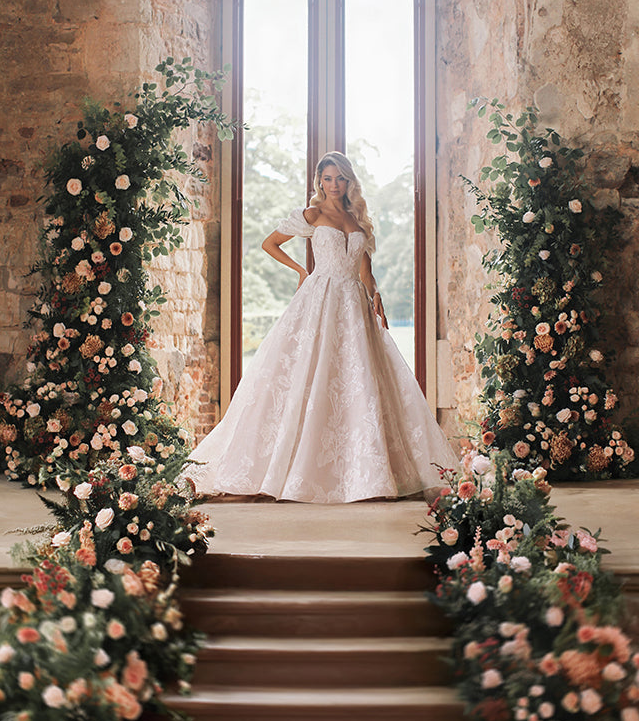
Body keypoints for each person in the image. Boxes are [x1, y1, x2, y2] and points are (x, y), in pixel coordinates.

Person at [177, 151, 456, 503]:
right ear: (319, 182)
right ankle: (294, 469)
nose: (334, 184)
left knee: (357, 379)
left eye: (339, 178)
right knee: (308, 373)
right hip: (320, 298)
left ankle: (364, 473)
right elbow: (269, 243)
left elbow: (365, 272)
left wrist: (376, 295)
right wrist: (301, 270)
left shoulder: (357, 218)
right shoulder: (313, 214)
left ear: (348, 180)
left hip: (355, 304)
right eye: (327, 178)